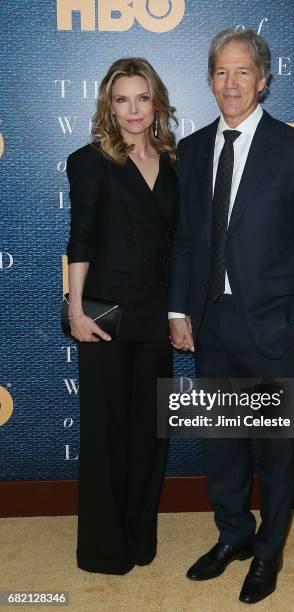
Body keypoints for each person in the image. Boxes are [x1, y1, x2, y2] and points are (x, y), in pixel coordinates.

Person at [169, 29, 294, 604]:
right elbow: (185, 242)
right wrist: (178, 311)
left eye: (243, 72)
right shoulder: (191, 152)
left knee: (275, 448)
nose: (231, 83)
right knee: (222, 441)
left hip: (271, 329)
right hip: (210, 322)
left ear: (262, 79)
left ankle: (269, 551)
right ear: (210, 80)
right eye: (221, 72)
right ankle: (234, 535)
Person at [66, 58, 178, 575]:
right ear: (108, 107)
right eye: (121, 99)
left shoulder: (178, 162)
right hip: (105, 318)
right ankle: (103, 549)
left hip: (156, 318)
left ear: (156, 100)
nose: (133, 110)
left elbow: (182, 247)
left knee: (150, 433)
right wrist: (74, 310)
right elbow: (82, 240)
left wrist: (182, 314)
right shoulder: (91, 161)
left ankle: (139, 536)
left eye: (141, 97)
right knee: (107, 433)